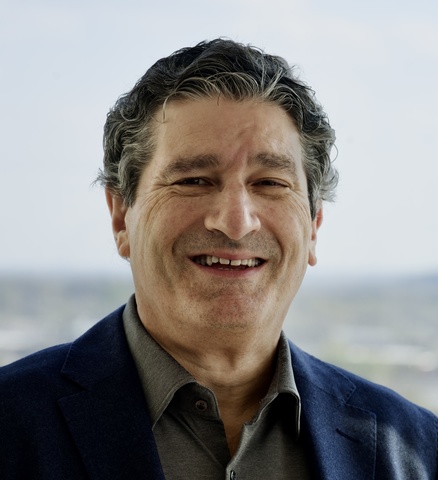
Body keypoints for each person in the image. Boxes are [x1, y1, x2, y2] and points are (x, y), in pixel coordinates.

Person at [0, 39, 436, 480]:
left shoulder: (419, 451)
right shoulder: (10, 424)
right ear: (120, 216)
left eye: (270, 183)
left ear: (314, 225)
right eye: (193, 180)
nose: (236, 222)